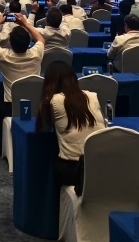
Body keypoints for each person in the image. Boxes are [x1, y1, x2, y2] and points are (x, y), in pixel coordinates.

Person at [36, 61, 105, 190]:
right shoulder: (92, 95)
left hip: (72, 168)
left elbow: (44, 129)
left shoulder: (52, 100)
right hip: (101, 164)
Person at [0, 11, 45, 120]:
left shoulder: (3, 55)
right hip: (35, 103)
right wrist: (25, 24)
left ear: (10, 43)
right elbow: (41, 39)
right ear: (29, 43)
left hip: (11, 107)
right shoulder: (36, 53)